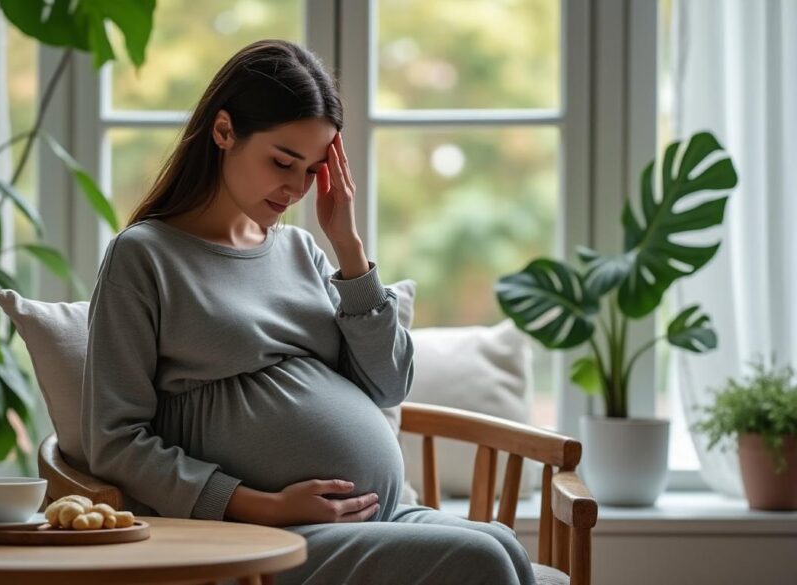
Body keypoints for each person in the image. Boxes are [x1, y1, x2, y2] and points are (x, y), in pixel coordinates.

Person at [80, 39, 536, 585]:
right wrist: (261, 505)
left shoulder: (301, 250)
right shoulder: (145, 256)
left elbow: (389, 386)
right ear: (224, 132)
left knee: (504, 543)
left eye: (313, 169)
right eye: (282, 161)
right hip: (262, 538)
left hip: (370, 518)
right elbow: (114, 440)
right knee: (481, 561)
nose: (297, 188)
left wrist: (347, 246)